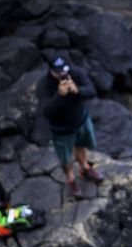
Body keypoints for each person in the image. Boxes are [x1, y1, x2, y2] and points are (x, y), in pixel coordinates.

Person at [37, 56, 103, 198]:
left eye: (64, 70)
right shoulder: (43, 85)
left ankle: (85, 168)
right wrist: (59, 95)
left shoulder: (76, 73)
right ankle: (71, 179)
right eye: (58, 72)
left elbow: (92, 90)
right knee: (65, 158)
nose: (63, 74)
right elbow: (46, 112)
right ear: (51, 71)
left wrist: (77, 90)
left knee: (82, 146)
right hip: (62, 129)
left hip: (81, 121)